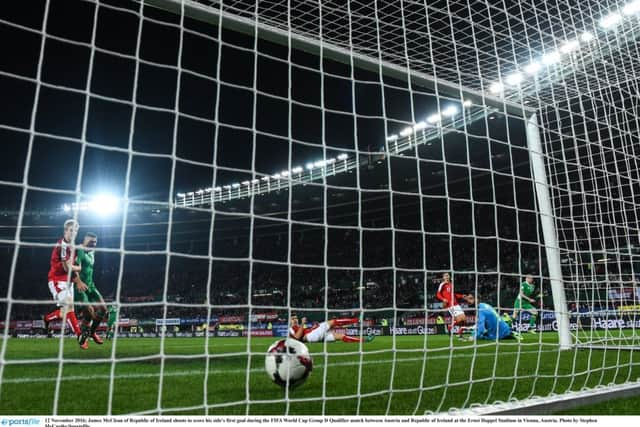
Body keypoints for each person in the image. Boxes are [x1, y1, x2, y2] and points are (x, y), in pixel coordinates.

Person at [44, 219, 84, 346]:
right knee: (69, 305)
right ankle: (80, 335)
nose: (74, 233)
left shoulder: (73, 246)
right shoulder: (63, 244)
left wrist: (77, 279)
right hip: (56, 280)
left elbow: (72, 267)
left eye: (76, 230)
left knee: (65, 311)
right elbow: (67, 267)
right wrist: (79, 268)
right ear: (66, 230)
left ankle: (47, 318)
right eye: (71, 230)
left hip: (68, 281)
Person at [76, 232, 108, 349]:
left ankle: (92, 332)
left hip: (91, 285)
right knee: (89, 312)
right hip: (80, 287)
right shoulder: (79, 250)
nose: (93, 244)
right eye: (91, 242)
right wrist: (78, 281)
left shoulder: (92, 251)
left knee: (103, 309)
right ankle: (83, 339)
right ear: (85, 240)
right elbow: (74, 267)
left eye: (95, 242)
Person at [289, 314, 374, 344]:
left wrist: (313, 327)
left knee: (340, 336)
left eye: (296, 318)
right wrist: (303, 323)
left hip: (313, 336)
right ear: (289, 320)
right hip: (311, 337)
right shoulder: (290, 329)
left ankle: (365, 340)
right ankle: (357, 320)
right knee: (333, 321)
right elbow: (297, 338)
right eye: (293, 318)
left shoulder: (297, 327)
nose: (295, 319)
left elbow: (304, 332)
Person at [435, 273, 468, 340]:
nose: (447, 277)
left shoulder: (451, 284)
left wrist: (461, 296)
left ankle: (459, 334)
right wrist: (443, 299)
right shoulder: (442, 284)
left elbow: (453, 294)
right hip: (450, 305)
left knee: (464, 320)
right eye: (445, 276)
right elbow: (438, 294)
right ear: (443, 277)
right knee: (459, 320)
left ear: (449, 276)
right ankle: (450, 327)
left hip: (456, 304)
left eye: (448, 275)